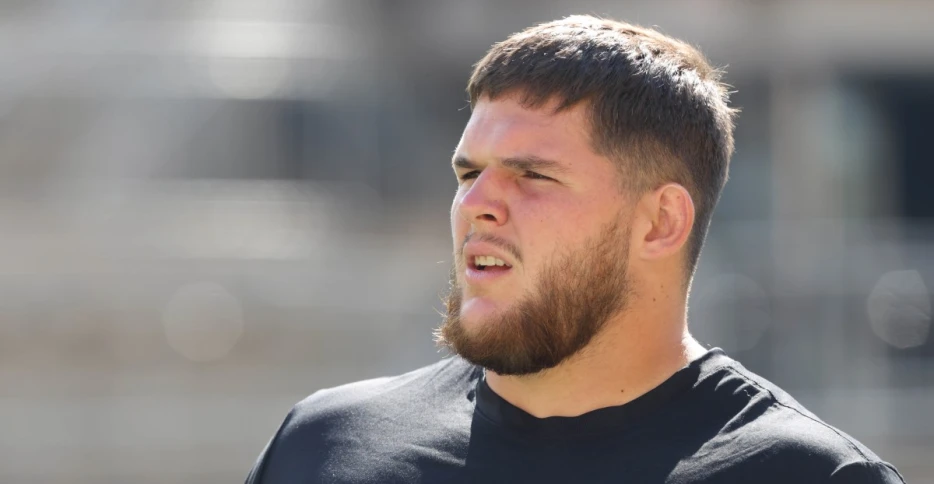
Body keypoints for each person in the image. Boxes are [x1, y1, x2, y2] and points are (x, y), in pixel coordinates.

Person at [245, 15, 905, 483]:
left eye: (532, 175)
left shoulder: (810, 474)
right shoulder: (322, 447)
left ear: (660, 222)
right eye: (469, 174)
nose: (476, 204)